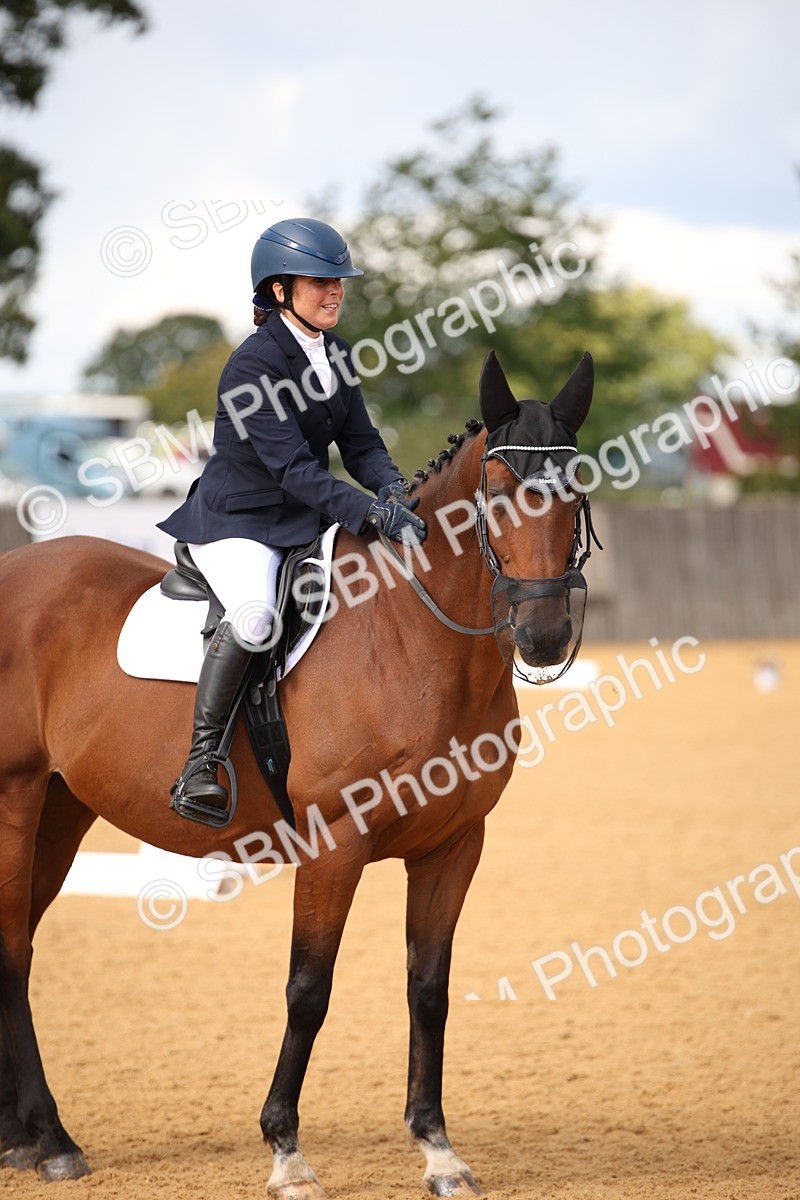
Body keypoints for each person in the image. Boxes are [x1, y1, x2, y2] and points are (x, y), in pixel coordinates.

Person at [157, 217, 426, 814]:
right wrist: (369, 513)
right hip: (241, 521)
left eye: (339, 282)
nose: (335, 292)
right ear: (279, 290)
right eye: (320, 282)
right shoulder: (252, 366)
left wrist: (394, 492)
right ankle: (202, 762)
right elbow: (293, 469)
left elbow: (361, 444)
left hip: (305, 519)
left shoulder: (337, 352)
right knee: (255, 618)